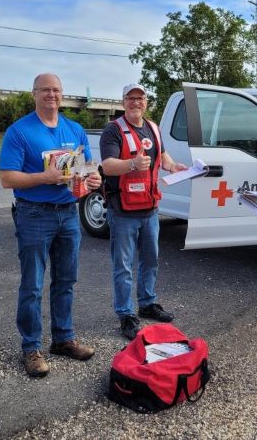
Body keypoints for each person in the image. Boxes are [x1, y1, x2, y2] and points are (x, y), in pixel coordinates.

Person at [0, 72, 102, 378]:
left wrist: (93, 179)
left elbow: (85, 170)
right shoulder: (20, 131)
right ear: (34, 94)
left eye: (56, 90)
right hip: (34, 214)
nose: (51, 95)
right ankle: (31, 347)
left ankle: (63, 339)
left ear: (62, 94)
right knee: (32, 284)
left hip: (68, 213)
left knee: (66, 280)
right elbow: (7, 178)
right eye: (45, 90)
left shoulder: (75, 129)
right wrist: (45, 177)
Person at [99, 83, 188, 340]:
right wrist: (132, 163)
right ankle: (126, 314)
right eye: (130, 98)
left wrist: (172, 166)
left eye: (140, 98)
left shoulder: (154, 129)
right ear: (123, 101)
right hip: (123, 210)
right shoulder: (112, 131)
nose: (135, 102)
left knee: (150, 260)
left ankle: (147, 303)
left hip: (150, 209)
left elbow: (163, 154)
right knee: (123, 266)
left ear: (146, 102)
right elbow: (108, 166)